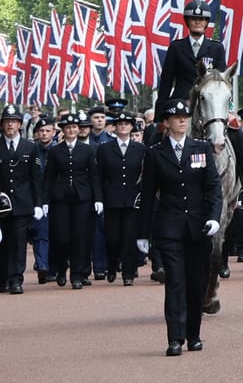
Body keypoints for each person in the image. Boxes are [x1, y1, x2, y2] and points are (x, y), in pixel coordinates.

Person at [139, 99, 223, 355]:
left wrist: (214, 217)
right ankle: (175, 338)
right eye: (177, 118)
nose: (182, 121)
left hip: (198, 227)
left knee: (197, 283)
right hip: (169, 227)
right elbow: (148, 194)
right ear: (167, 122)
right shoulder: (155, 153)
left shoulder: (202, 148)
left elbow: (213, 187)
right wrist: (143, 233)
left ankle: (193, 334)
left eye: (185, 117)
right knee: (175, 281)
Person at [0, 107, 43, 294]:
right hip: (1, 204)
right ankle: (2, 277)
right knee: (1, 243)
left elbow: (36, 178)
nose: (10, 125)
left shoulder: (30, 147)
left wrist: (38, 203)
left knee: (19, 242)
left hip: (22, 202)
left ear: (20, 124)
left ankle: (16, 279)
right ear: (2, 124)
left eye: (13, 121)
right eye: (7, 121)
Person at [45, 112, 98, 288]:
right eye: (68, 127)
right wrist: (44, 201)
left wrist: (98, 199)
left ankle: (77, 274)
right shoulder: (54, 151)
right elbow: (48, 177)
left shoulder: (87, 150)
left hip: (82, 197)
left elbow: (94, 175)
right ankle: (61, 268)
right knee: (61, 237)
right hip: (60, 198)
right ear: (63, 130)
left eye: (74, 127)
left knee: (80, 237)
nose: (72, 130)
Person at [96, 112, 146, 285]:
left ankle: (128, 273)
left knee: (129, 237)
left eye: (127, 123)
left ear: (132, 127)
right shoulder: (104, 149)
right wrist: (99, 199)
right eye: (120, 124)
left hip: (132, 198)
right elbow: (99, 176)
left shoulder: (140, 149)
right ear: (115, 127)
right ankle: (112, 265)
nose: (123, 126)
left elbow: (145, 175)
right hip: (112, 198)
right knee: (112, 238)